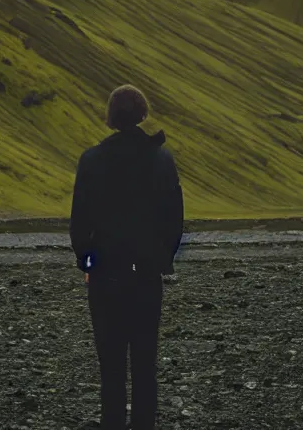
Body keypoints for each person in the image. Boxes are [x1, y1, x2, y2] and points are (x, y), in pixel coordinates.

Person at [70, 84, 184, 430]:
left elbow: (80, 226)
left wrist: (89, 266)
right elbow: (174, 219)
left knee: (112, 367)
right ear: (142, 114)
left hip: (105, 277)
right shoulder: (161, 159)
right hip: (146, 277)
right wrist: (162, 261)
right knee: (145, 365)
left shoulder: (91, 160)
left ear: (111, 117)